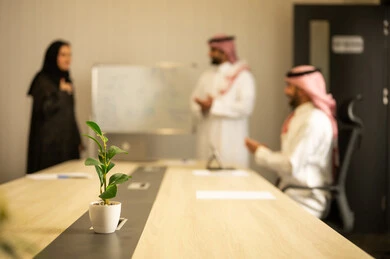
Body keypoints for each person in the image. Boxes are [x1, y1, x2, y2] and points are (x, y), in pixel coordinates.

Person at [245, 65, 337, 218]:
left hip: (305, 199)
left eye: (290, 87)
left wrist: (261, 152)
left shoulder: (314, 120)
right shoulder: (302, 117)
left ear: (302, 90)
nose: (285, 92)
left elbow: (291, 165)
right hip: (291, 192)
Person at [190, 34, 256, 168]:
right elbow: (193, 101)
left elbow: (246, 107)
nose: (209, 54)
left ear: (225, 52)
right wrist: (202, 108)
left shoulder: (243, 77)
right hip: (207, 140)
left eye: (213, 51)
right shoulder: (206, 76)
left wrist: (214, 106)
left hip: (231, 144)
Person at [27, 40, 82, 174]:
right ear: (53, 57)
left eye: (69, 55)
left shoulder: (66, 80)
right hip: (48, 148)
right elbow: (45, 110)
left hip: (67, 144)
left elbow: (70, 114)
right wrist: (61, 92)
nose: (68, 59)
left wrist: (78, 138)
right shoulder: (42, 80)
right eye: (63, 55)